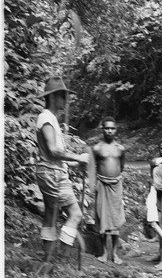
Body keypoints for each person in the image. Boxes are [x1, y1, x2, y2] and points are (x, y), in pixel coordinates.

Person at [36, 76, 89, 262]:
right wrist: (78, 157)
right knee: (76, 214)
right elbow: (53, 150)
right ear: (52, 97)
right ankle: (63, 260)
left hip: (50, 170)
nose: (65, 101)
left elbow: (50, 153)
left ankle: (49, 258)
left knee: (51, 216)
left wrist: (73, 163)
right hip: (52, 173)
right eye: (62, 96)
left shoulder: (49, 118)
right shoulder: (46, 118)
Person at [91, 117, 125, 265]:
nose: (110, 131)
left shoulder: (120, 149)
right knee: (102, 217)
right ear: (102, 130)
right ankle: (104, 252)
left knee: (116, 218)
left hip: (116, 185)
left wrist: (115, 178)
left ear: (116, 129)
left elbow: (121, 166)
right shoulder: (97, 148)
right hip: (102, 184)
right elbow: (92, 166)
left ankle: (115, 254)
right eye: (107, 128)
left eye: (112, 128)